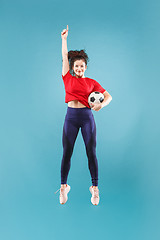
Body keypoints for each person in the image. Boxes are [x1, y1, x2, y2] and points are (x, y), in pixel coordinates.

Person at [55, 25, 112, 205]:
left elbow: (109, 96)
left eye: (82, 66)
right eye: (76, 66)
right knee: (67, 152)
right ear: (72, 67)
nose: (79, 68)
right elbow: (64, 57)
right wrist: (64, 40)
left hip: (87, 117)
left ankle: (94, 189)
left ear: (85, 67)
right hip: (71, 117)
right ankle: (64, 187)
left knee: (91, 152)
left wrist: (101, 105)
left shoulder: (92, 83)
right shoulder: (67, 77)